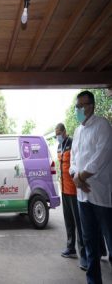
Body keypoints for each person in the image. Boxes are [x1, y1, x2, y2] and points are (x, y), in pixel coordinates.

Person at [70, 90, 112, 284]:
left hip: (101, 197)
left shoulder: (102, 125)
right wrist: (75, 177)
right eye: (76, 106)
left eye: (81, 106)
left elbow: (100, 157)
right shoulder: (78, 131)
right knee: (90, 244)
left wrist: (80, 177)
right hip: (82, 197)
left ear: (91, 106)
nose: (77, 109)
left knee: (110, 244)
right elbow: (73, 160)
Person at [55, 123, 87, 270]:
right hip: (64, 190)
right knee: (68, 221)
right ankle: (70, 248)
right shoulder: (59, 146)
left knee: (79, 224)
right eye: (56, 134)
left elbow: (78, 163)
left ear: (64, 132)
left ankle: (84, 255)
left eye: (59, 133)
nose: (57, 136)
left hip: (74, 190)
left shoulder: (72, 142)